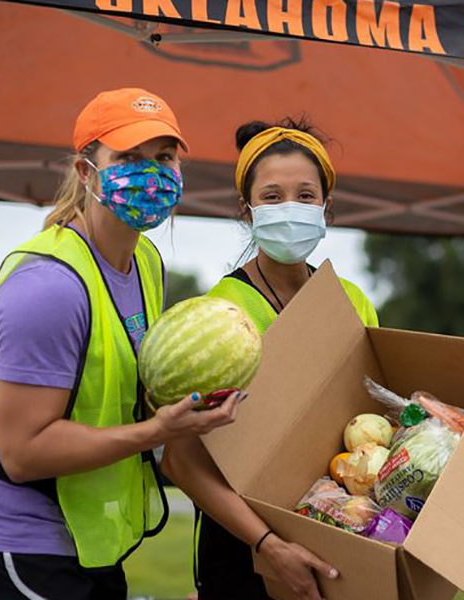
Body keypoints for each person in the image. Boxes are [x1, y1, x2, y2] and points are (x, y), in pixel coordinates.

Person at [0, 88, 242, 600]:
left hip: (85, 542)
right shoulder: (49, 289)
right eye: (128, 158)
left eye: (164, 157)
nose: (151, 173)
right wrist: (155, 431)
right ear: (85, 171)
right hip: (15, 546)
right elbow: (23, 453)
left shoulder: (146, 264)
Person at [162, 117, 378, 600]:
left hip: (337, 530)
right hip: (243, 548)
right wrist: (268, 544)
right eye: (272, 197)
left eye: (305, 196)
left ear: (326, 208)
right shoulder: (220, 316)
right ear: (247, 210)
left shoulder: (353, 302)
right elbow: (181, 460)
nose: (291, 209)